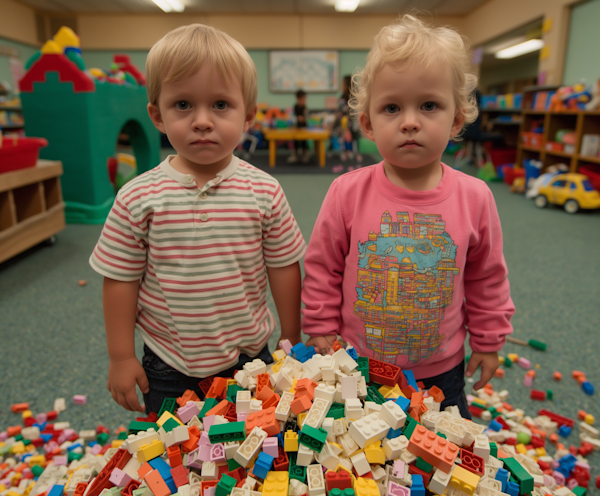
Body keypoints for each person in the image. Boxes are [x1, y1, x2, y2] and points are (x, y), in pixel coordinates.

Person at [301, 14, 514, 419]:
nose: (411, 121)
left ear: (455, 119)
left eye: (429, 105)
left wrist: (488, 341)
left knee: (440, 463)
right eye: (392, 108)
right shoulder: (346, 192)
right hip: (358, 364)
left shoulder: (475, 197)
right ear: (368, 122)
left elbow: (487, 277)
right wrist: (321, 327)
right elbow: (322, 266)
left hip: (441, 371)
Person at [89, 24, 306, 414]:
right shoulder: (138, 196)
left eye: (221, 105)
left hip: (249, 356)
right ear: (157, 115)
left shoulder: (265, 190)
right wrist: (120, 357)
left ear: (248, 115)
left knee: (251, 446)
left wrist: (291, 336)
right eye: (183, 105)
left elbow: (284, 266)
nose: (202, 120)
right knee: (170, 454)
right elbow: (120, 278)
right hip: (169, 361)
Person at [288, 89, 309, 163]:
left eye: (304, 99)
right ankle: (295, 155)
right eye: (302, 99)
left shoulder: (304, 107)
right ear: (298, 99)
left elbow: (305, 117)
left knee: (304, 141)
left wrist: (303, 118)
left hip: (304, 127)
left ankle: (305, 154)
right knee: (295, 140)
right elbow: (294, 117)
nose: (304, 100)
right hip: (297, 127)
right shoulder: (295, 107)